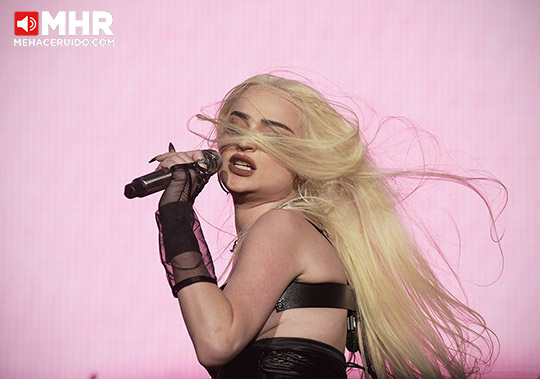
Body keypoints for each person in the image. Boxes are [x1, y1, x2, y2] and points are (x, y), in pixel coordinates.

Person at [151, 74, 499, 378]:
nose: (246, 142)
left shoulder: (282, 226)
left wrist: (176, 212)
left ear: (305, 159)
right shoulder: (301, 231)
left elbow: (216, 340)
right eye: (237, 126)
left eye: (275, 135)